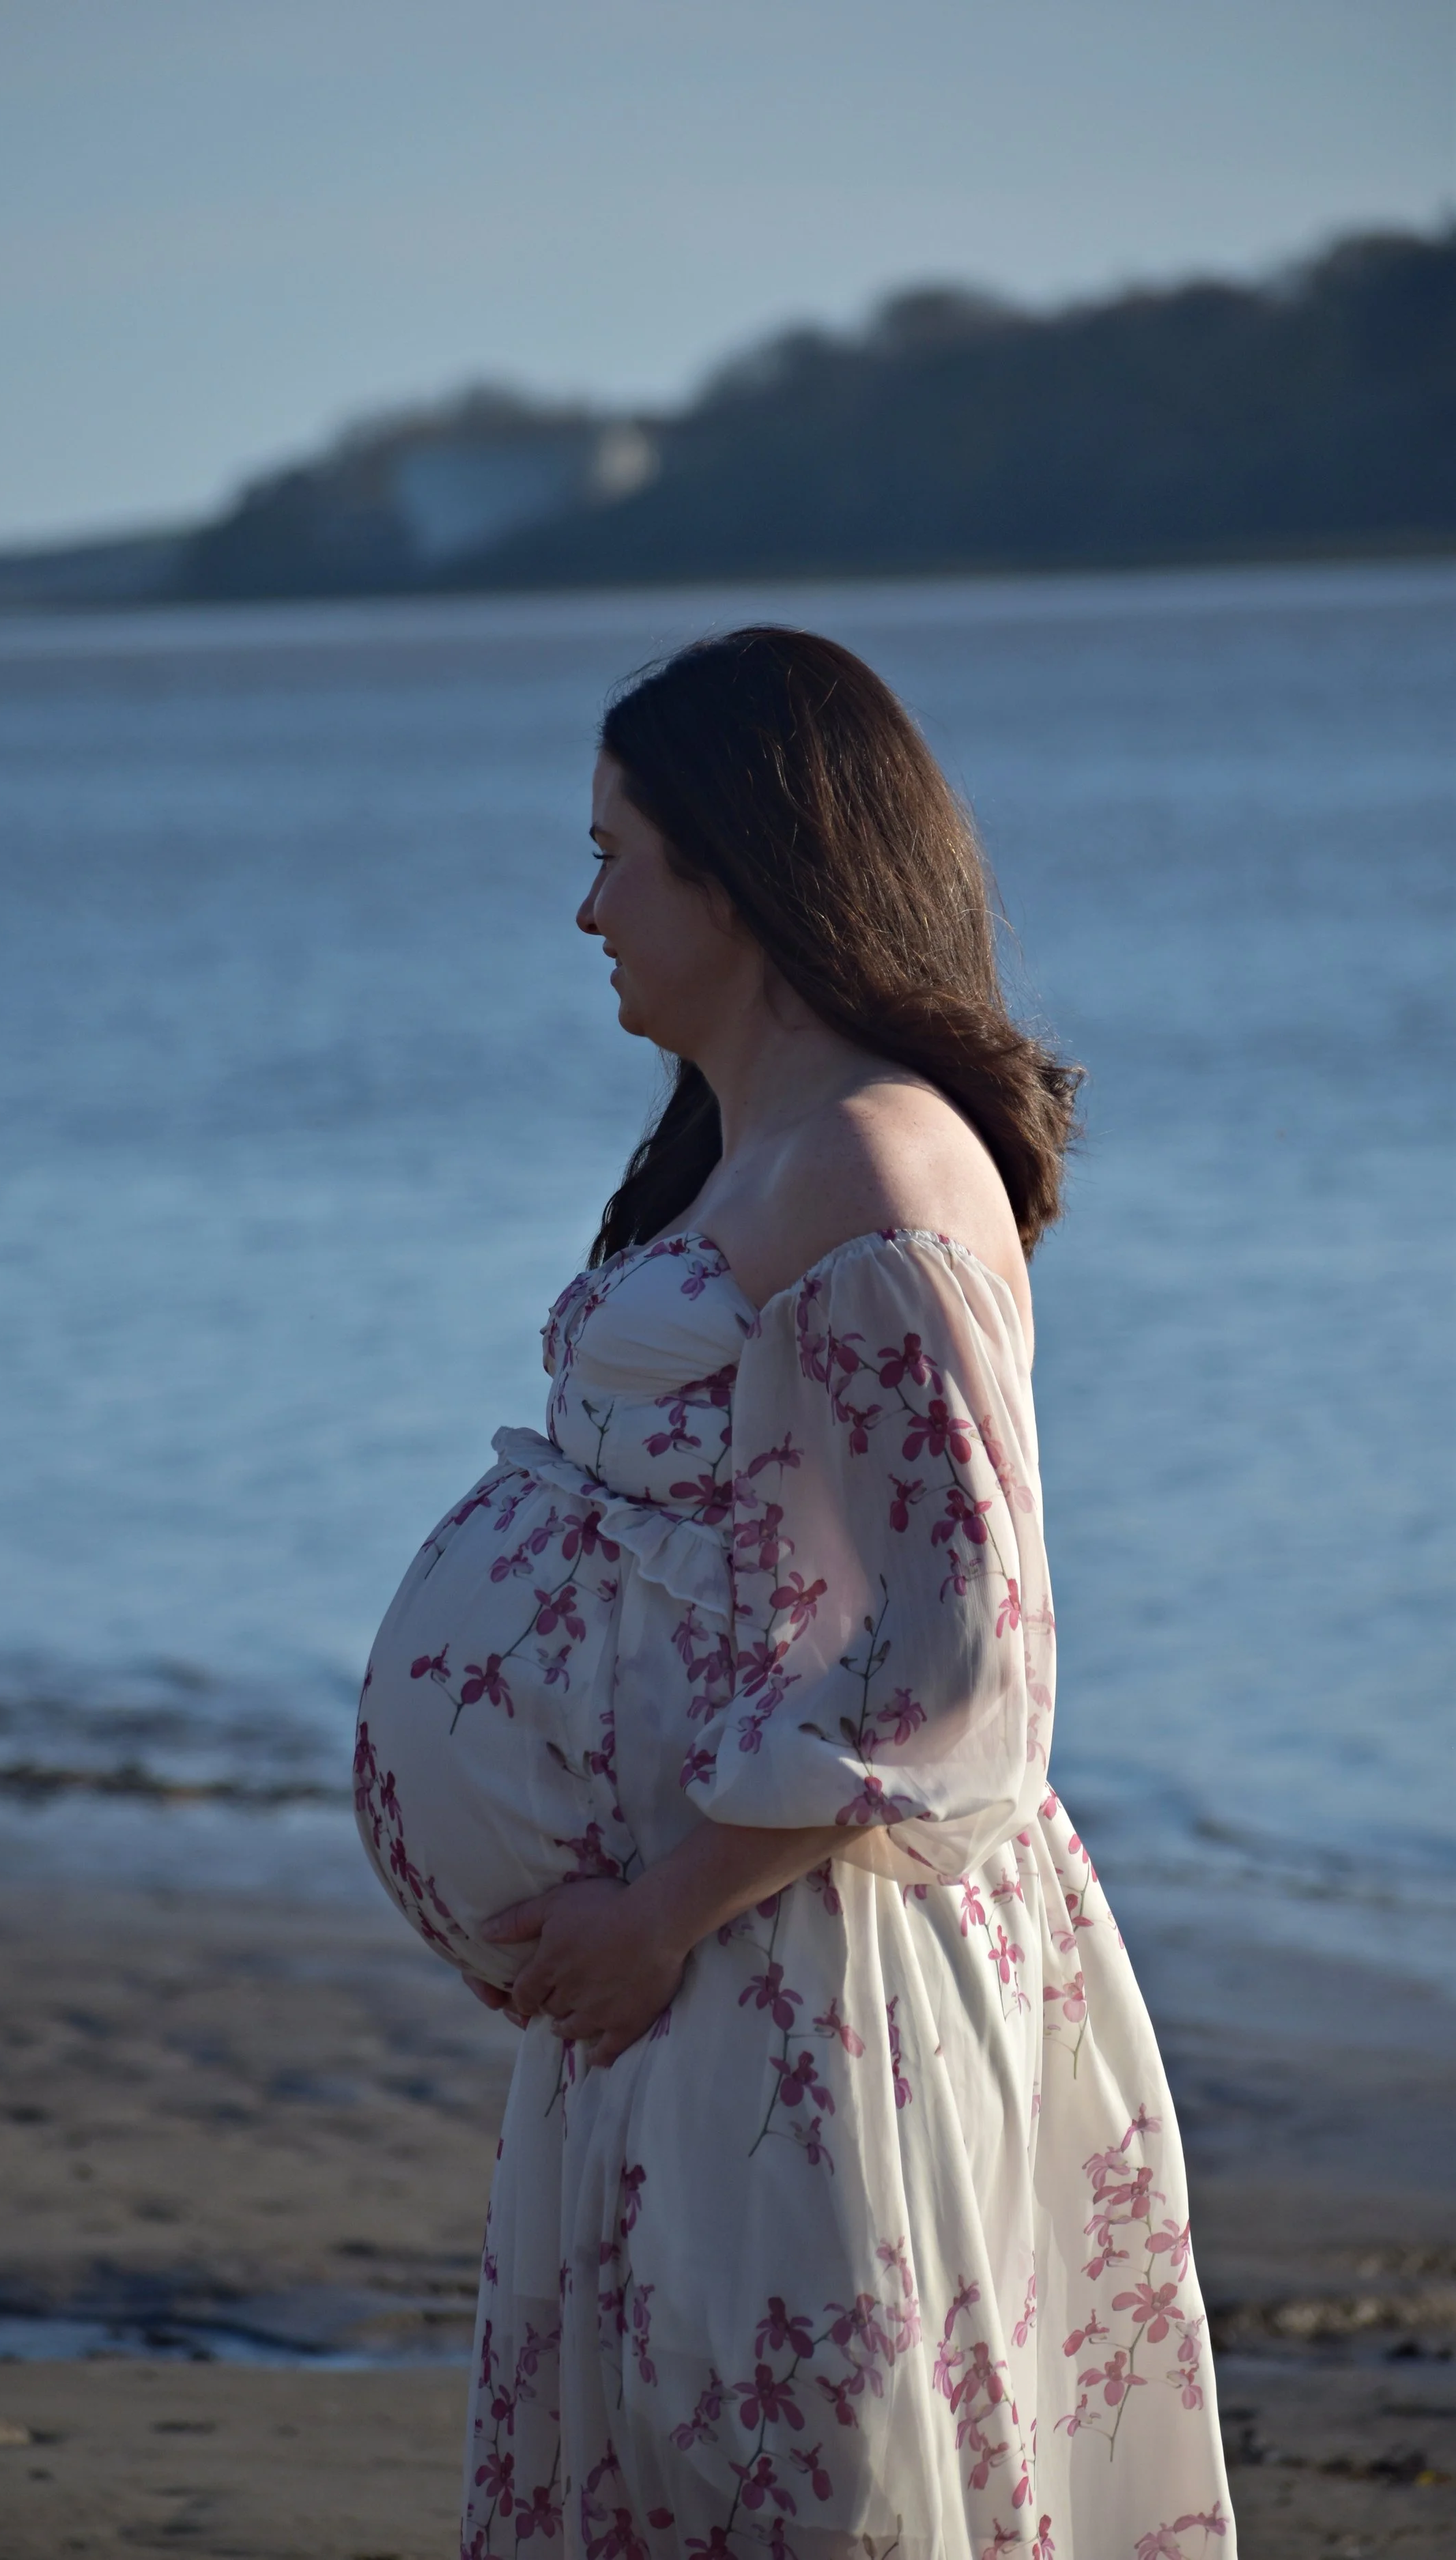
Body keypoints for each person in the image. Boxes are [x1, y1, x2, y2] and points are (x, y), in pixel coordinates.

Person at [354, 629, 1233, 2559]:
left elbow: (967, 1646)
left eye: (616, 853)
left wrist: (663, 1906)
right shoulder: (757, 1148)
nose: (582, 907)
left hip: (789, 1953)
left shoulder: (864, 1165)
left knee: (795, 2496)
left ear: (738, 869)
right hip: (697, 1951)